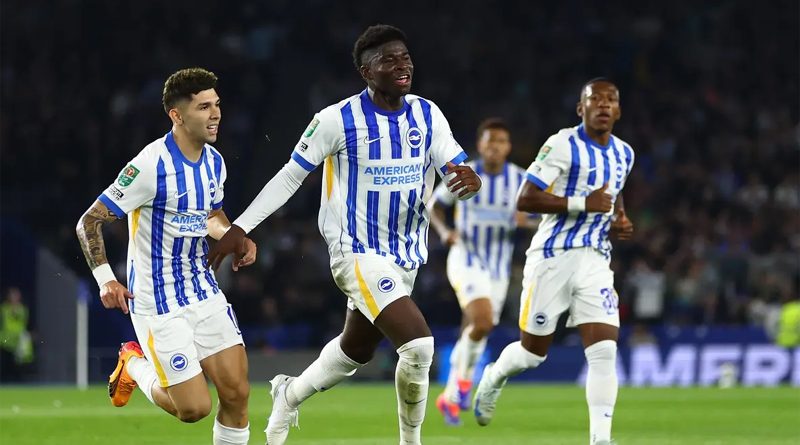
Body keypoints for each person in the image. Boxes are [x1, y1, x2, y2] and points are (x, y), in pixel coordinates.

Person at [207, 24, 482, 445]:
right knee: (419, 347)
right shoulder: (335, 120)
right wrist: (241, 226)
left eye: (404, 56)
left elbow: (456, 168)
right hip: (355, 251)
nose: (401, 64)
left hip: (406, 253)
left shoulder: (428, 114)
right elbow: (289, 177)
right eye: (387, 59)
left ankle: (288, 393)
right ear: (366, 72)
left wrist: (469, 180)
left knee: (355, 351)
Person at [75, 68, 257, 445]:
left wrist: (233, 236)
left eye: (217, 105)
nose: (216, 114)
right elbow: (88, 223)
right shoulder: (148, 166)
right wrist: (107, 279)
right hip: (158, 302)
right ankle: (133, 363)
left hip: (203, 290)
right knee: (193, 409)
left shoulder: (214, 161)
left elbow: (210, 214)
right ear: (176, 115)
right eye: (204, 107)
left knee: (237, 394)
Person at [472, 78, 635, 445]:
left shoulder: (625, 153)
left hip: (595, 260)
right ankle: (495, 376)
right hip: (552, 257)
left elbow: (613, 192)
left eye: (611, 100)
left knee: (605, 351)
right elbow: (525, 198)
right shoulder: (561, 144)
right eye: (596, 100)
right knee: (532, 354)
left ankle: (600, 439)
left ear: (619, 110)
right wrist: (581, 204)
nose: (604, 105)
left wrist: (619, 219)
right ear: (582, 108)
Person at [429, 118, 537, 425]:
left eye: (501, 142)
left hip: (498, 269)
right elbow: (434, 206)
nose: (495, 147)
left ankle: (450, 396)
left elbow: (543, 219)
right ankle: (463, 386)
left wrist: (526, 222)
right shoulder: (464, 174)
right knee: (483, 319)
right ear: (480, 145)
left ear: (508, 147)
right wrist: (445, 231)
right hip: (466, 257)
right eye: (490, 142)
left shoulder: (520, 179)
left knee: (477, 327)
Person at [0, 287, 34, 382]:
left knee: (20, 366)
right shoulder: (4, 309)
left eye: (16, 295)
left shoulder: (23, 309)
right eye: (12, 295)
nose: (14, 297)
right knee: (5, 365)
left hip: (19, 342)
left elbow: (28, 324)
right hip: (5, 342)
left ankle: (18, 384)